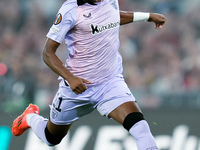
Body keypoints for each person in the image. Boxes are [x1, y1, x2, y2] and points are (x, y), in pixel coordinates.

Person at [12, 0, 166, 149]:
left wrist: (147, 16)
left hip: (109, 83)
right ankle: (30, 117)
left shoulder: (109, 2)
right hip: (76, 88)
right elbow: (47, 53)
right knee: (51, 138)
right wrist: (70, 78)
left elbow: (113, 17)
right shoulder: (70, 10)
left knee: (140, 128)